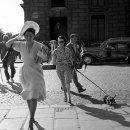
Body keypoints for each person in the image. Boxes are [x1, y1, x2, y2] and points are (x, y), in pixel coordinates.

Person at [6, 21, 48, 130]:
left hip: (36, 72)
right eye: (27, 36)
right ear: (24, 36)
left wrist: (41, 57)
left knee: (33, 94)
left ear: (34, 36)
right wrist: (18, 36)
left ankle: (31, 118)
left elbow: (46, 56)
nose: (29, 37)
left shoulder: (39, 45)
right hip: (25, 73)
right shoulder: (20, 44)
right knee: (29, 96)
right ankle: (32, 117)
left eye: (31, 36)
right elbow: (7, 44)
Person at [53, 35, 74, 104]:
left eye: (62, 42)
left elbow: (71, 58)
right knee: (63, 83)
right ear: (57, 42)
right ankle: (65, 96)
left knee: (67, 82)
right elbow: (54, 62)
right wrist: (62, 62)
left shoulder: (67, 49)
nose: (60, 43)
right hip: (59, 69)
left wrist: (72, 63)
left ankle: (69, 98)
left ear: (64, 42)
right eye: (59, 42)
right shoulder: (55, 51)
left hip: (67, 68)